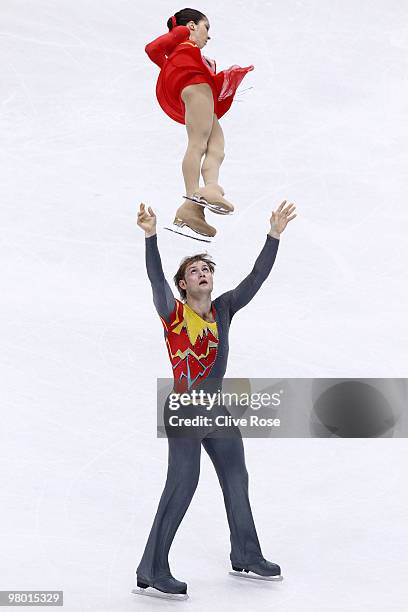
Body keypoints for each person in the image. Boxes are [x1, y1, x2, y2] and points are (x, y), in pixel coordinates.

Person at [133, 200, 297, 599]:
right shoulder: (172, 313)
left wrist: (273, 236)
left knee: (237, 477)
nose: (203, 274)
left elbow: (255, 279)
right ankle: (151, 568)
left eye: (207, 269)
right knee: (182, 484)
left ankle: (245, 553)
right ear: (184, 284)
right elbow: (156, 280)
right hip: (186, 411)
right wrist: (151, 236)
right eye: (195, 271)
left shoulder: (223, 308)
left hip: (217, 411)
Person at [145, 8, 254, 241]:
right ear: (192, 25)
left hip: (201, 89)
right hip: (193, 87)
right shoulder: (183, 36)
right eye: (206, 27)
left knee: (217, 146)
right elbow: (152, 49)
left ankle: (207, 192)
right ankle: (192, 197)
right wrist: (171, 65)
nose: (208, 35)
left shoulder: (195, 54)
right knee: (198, 143)